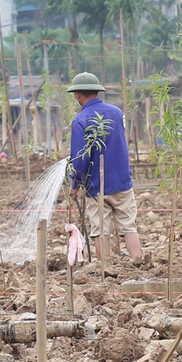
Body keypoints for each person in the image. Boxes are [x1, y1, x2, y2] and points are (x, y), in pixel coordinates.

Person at [66, 72, 142, 262]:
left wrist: (76, 183)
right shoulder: (116, 113)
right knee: (128, 226)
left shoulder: (80, 120)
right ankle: (140, 262)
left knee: (100, 230)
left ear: (77, 94)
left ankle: (106, 269)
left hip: (96, 186)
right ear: (97, 91)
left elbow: (80, 158)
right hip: (122, 182)